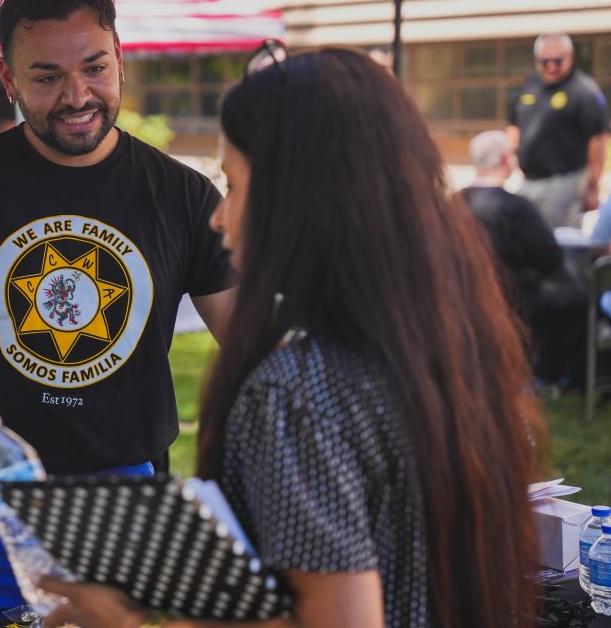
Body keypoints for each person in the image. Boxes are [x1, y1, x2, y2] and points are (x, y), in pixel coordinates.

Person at [39, 49, 546, 628]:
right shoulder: (451, 348)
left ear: (301, 201)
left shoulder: (298, 393)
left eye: (234, 185)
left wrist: (132, 619)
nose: (218, 217)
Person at [0, 0, 236, 627]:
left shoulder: (183, 195)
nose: (76, 94)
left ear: (120, 59)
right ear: (9, 79)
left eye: (94, 67)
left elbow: (250, 349)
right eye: (46, 77)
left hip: (123, 494)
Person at [460, 130, 586, 392]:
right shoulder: (516, 207)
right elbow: (549, 258)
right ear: (506, 159)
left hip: (461, 293)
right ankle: (550, 375)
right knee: (577, 299)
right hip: (516, 296)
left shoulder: (453, 202)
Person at [507, 33, 609, 229]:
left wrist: (593, 187)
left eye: (557, 61)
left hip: (565, 182)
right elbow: (513, 124)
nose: (551, 66)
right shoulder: (529, 85)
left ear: (570, 57)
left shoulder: (584, 90)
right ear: (537, 61)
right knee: (525, 237)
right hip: (527, 180)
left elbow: (599, 139)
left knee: (558, 241)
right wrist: (509, 154)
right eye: (545, 62)